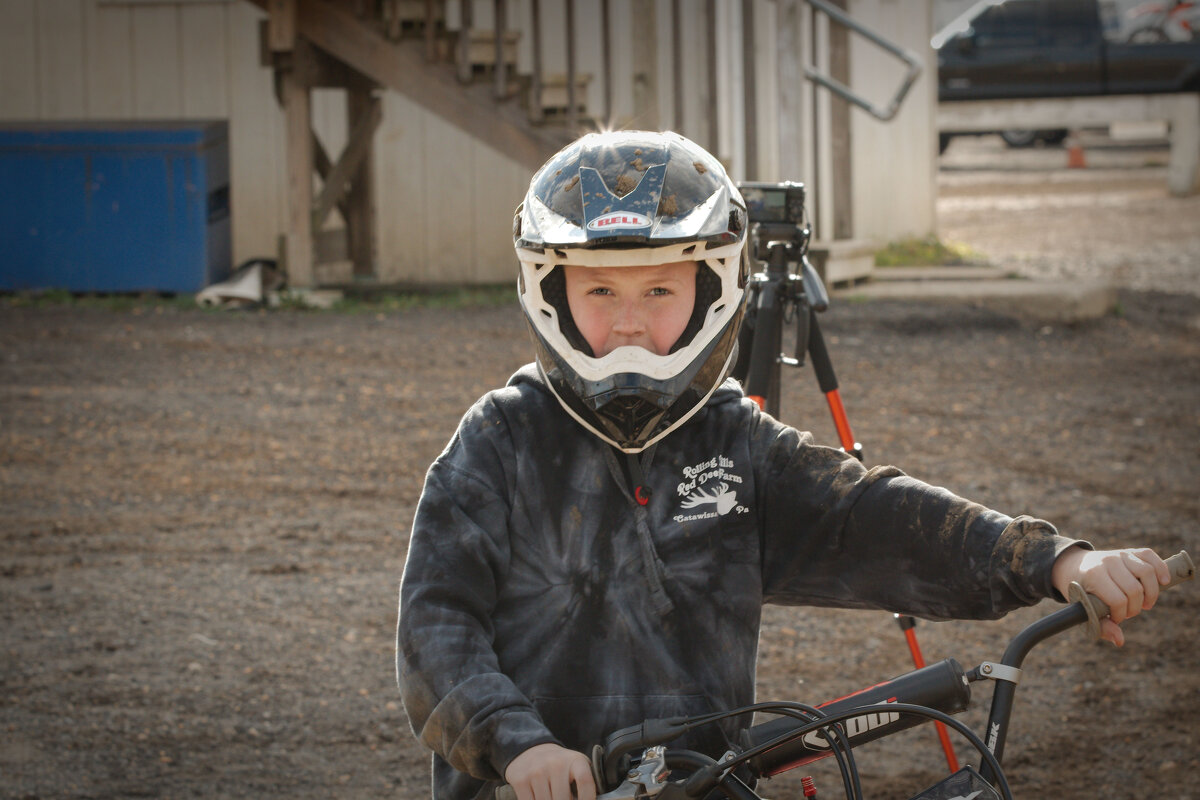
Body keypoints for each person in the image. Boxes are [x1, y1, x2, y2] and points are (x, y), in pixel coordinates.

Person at [395, 130, 1170, 800]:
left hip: (703, 781)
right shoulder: (499, 442)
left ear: (714, 290)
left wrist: (1057, 559)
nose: (628, 320)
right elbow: (436, 625)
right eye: (598, 289)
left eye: (660, 289)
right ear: (551, 293)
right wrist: (516, 742)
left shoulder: (735, 444)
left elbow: (877, 519)